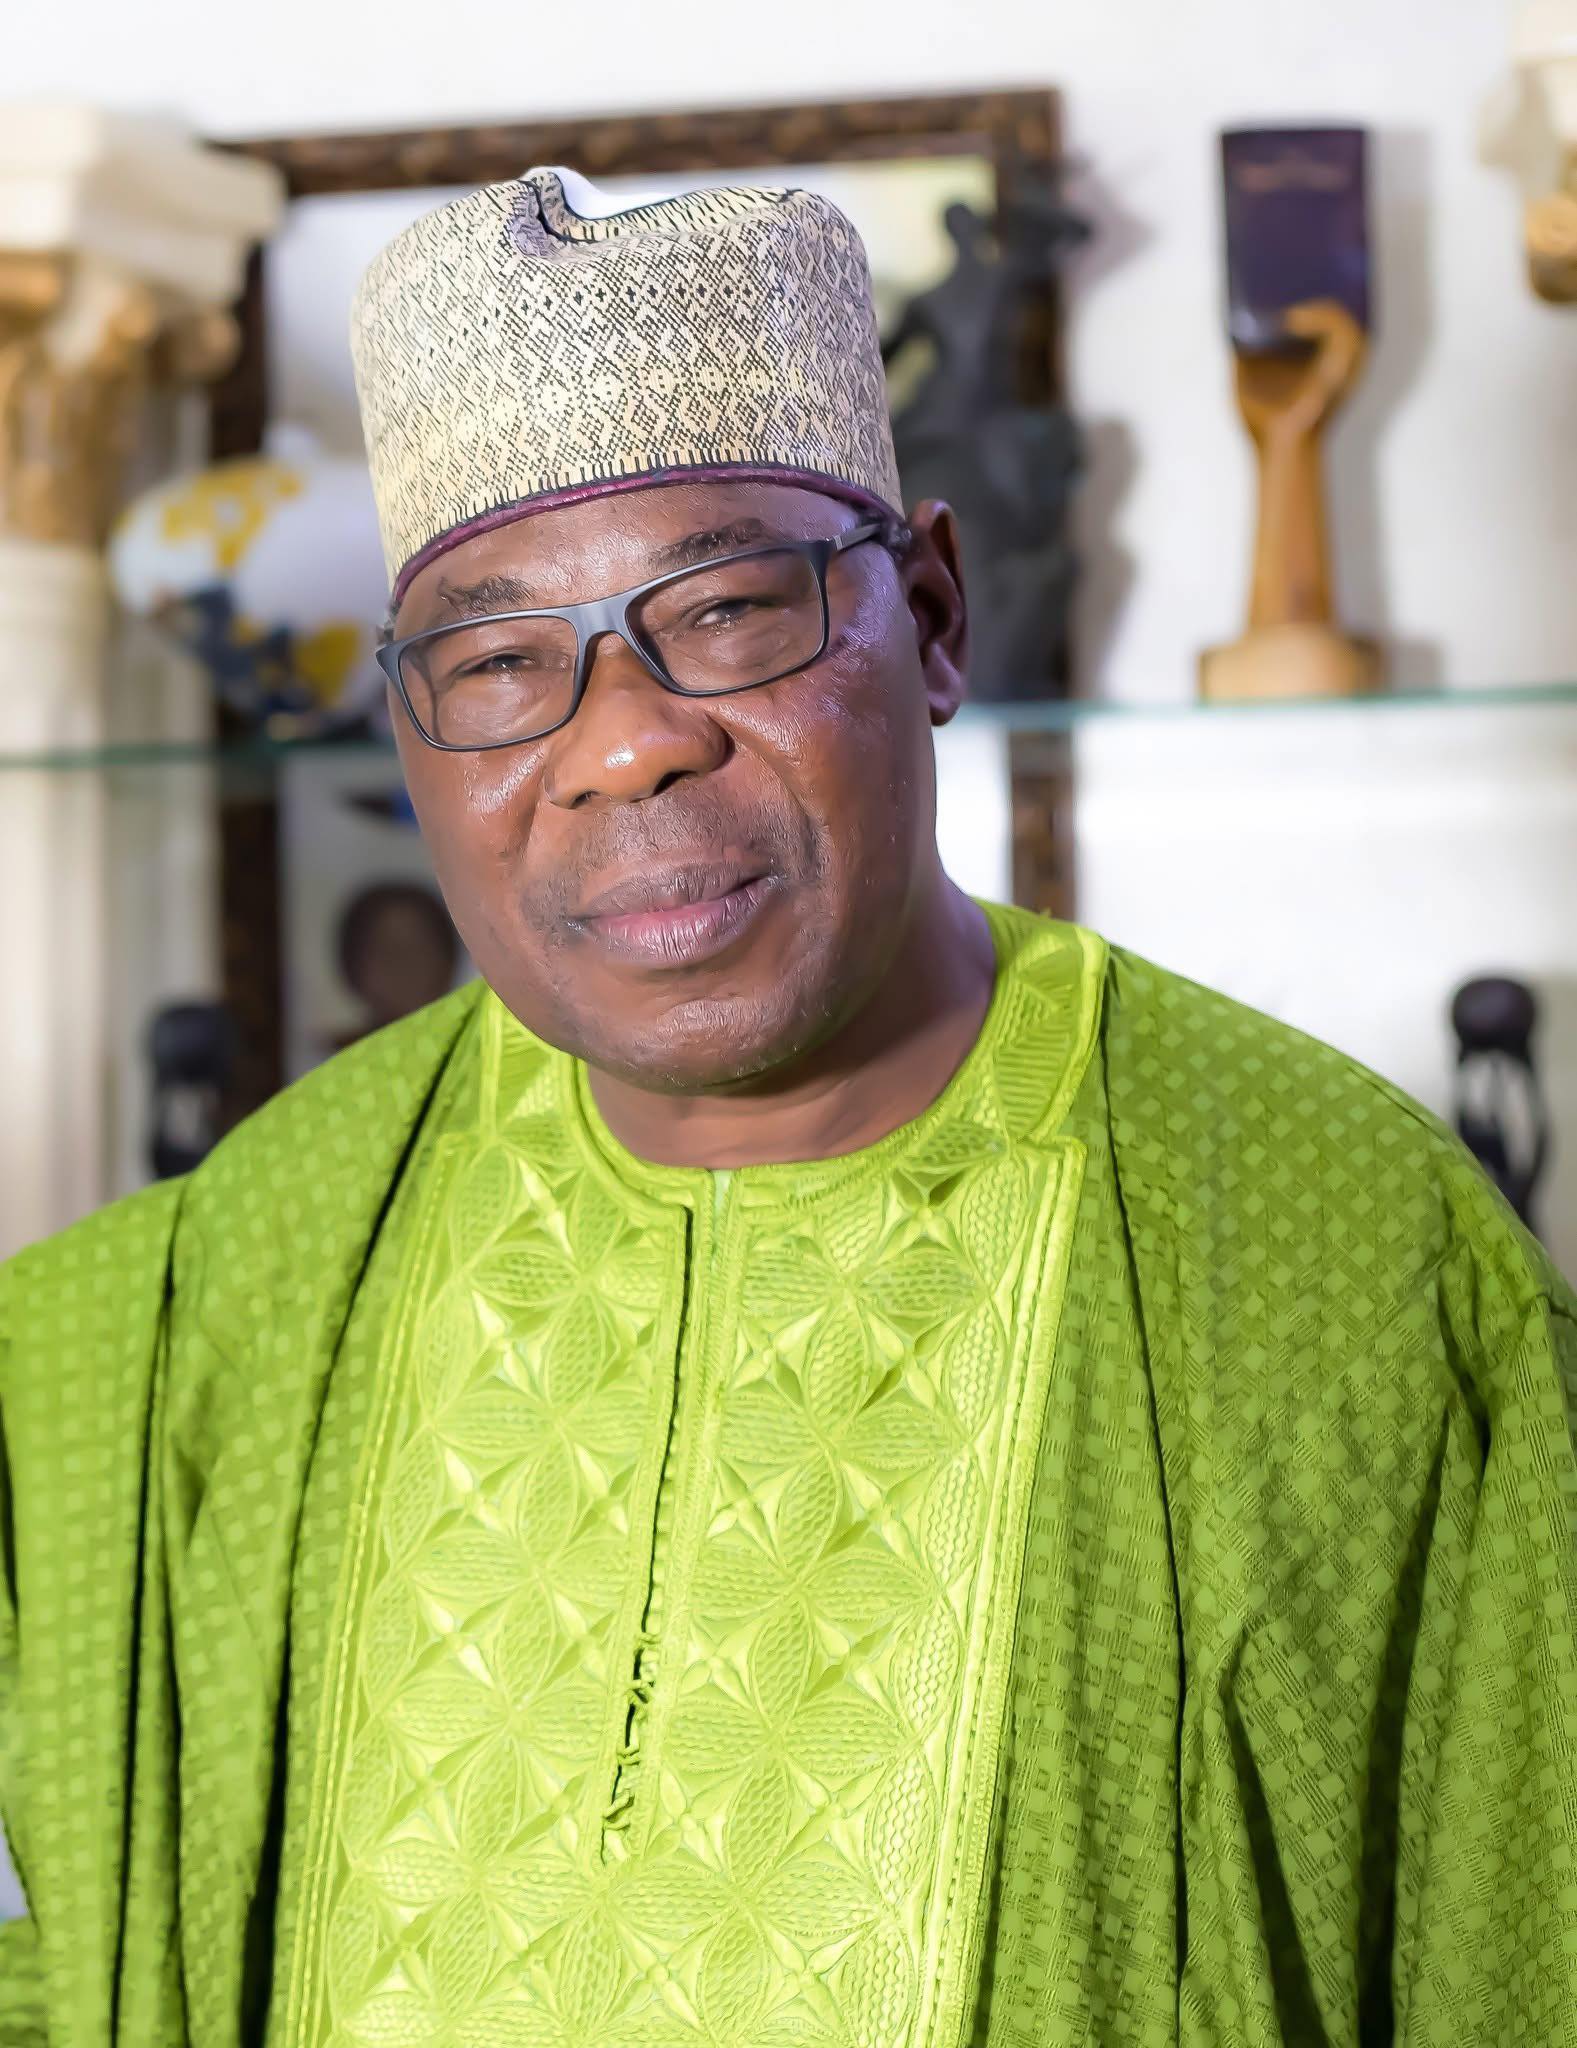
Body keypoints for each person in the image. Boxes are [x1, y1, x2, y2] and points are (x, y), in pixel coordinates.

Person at [1, 168, 1573, 2048]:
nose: (620, 743)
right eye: (496, 662)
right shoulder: (224, 1302)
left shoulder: (1341, 1262)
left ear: (934, 616)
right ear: (408, 733)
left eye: (731, 611)